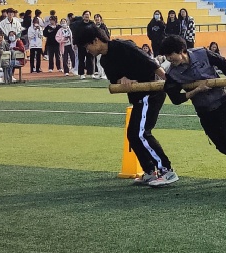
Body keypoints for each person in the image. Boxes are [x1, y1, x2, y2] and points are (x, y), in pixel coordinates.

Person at [73, 19, 178, 187]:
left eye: (87, 46)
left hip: (151, 93)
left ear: (96, 41)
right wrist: (122, 79)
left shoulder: (123, 46)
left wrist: (170, 82)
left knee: (141, 133)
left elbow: (151, 64)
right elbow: (115, 80)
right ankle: (150, 171)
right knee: (133, 135)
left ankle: (167, 171)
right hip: (138, 97)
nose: (87, 50)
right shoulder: (104, 61)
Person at [160, 35, 226, 185]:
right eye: (167, 56)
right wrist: (196, 90)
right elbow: (175, 99)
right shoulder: (172, 73)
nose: (169, 59)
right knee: (222, 146)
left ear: (181, 51)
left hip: (222, 102)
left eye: (171, 55)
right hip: (203, 110)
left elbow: (223, 63)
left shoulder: (202, 53)